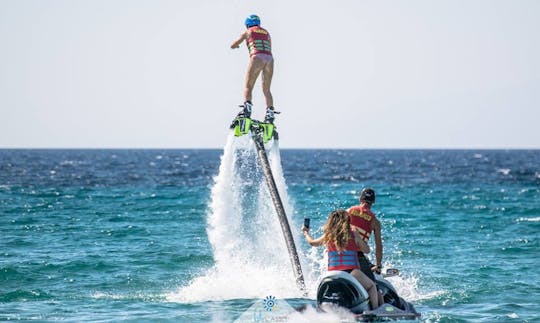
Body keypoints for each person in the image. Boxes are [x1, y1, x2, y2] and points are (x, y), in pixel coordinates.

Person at [302, 209, 379, 310]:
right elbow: (367, 250)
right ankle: (376, 311)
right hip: (351, 272)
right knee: (372, 286)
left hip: (332, 273)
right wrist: (358, 240)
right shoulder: (352, 233)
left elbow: (312, 243)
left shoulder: (329, 235)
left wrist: (305, 233)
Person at [230, 14, 279, 123]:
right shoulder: (266, 32)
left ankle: (247, 111)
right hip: (270, 60)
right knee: (266, 89)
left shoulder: (248, 31)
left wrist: (236, 45)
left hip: (257, 57)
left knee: (248, 86)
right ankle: (270, 114)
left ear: (247, 24)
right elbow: (269, 47)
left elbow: (233, 45)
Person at [348, 188, 383, 282]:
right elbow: (378, 246)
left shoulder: (349, 211)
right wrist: (378, 265)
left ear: (360, 199)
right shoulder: (375, 222)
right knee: (373, 285)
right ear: (373, 202)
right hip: (358, 257)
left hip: (342, 253)